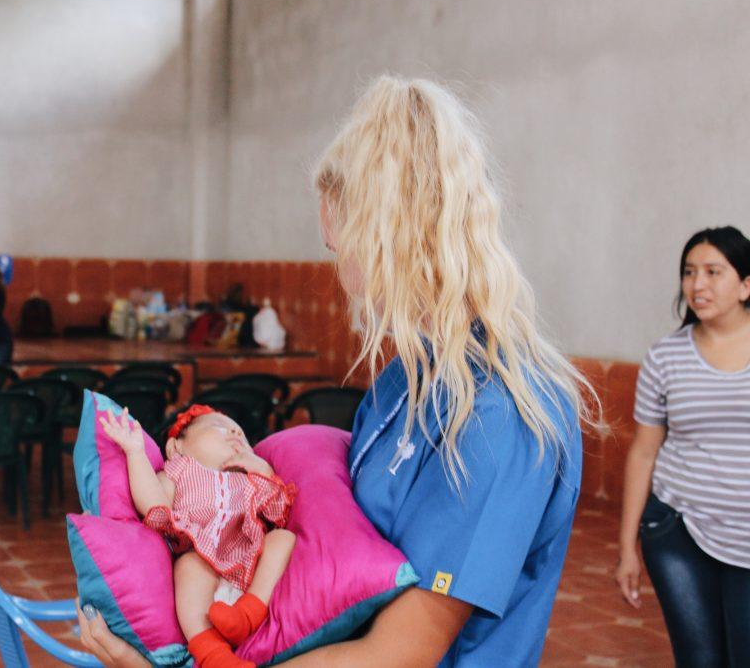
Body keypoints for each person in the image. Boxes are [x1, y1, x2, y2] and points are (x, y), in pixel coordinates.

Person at [76, 76, 595, 667]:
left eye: (338, 248)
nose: (341, 272)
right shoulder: (408, 379)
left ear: (383, 240)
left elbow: (395, 656)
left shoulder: (501, 417)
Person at [616, 226, 750, 666]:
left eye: (714, 272)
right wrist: (625, 548)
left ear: (746, 284)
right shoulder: (665, 356)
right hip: (677, 529)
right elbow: (643, 451)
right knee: (699, 659)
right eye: (689, 272)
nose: (698, 284)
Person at [101, 404, 295, 668]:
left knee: (282, 538)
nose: (235, 433)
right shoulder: (181, 471)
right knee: (188, 566)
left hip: (248, 572)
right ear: (176, 447)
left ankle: (248, 615)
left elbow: (277, 512)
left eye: (239, 432)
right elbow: (154, 503)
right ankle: (213, 654)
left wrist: (262, 469)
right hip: (204, 575)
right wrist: (135, 453)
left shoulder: (249, 479)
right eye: (219, 427)